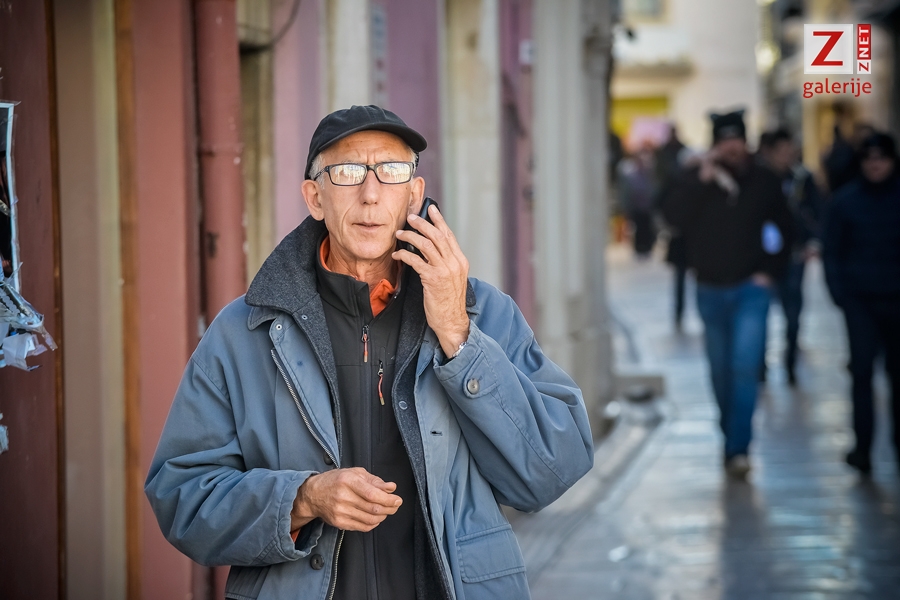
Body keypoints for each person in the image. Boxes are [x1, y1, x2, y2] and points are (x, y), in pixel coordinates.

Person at [144, 105, 594, 600]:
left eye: (392, 171)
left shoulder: (481, 312)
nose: (371, 193)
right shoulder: (245, 331)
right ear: (315, 197)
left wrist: (458, 335)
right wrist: (302, 499)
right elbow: (181, 497)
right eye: (347, 172)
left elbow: (553, 469)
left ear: (414, 194)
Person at [663, 110, 792, 477]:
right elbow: (672, 218)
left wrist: (769, 272)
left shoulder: (763, 180)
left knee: (744, 366)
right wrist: (699, 183)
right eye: (724, 141)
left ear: (745, 143)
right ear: (715, 144)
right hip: (709, 289)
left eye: (737, 140)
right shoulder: (696, 178)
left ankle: (739, 448)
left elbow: (786, 226)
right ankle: (730, 436)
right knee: (720, 371)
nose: (731, 147)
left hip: (751, 289)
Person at [822, 132, 900, 476]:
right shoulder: (846, 202)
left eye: (881, 158)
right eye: (869, 158)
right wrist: (841, 294)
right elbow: (832, 250)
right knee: (862, 374)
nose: (875, 164)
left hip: (895, 300)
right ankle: (863, 447)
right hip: (861, 302)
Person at [757, 129, 825, 384]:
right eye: (781, 151)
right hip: (764, 257)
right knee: (761, 312)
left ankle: (791, 364)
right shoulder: (760, 179)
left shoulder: (802, 179)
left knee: (793, 313)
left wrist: (813, 241)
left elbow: (818, 211)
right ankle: (760, 367)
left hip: (794, 255)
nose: (786, 157)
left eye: (790, 151)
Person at [655, 124, 688, 330]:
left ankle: (681, 311)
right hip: (681, 235)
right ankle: (679, 311)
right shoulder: (672, 176)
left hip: (692, 236)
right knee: (681, 276)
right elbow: (660, 200)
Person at [618, 141, 658, 258]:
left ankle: (647, 248)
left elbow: (654, 187)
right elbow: (626, 191)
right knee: (638, 228)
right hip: (636, 205)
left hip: (648, 205)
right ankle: (639, 249)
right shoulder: (629, 172)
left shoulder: (650, 171)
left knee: (648, 228)